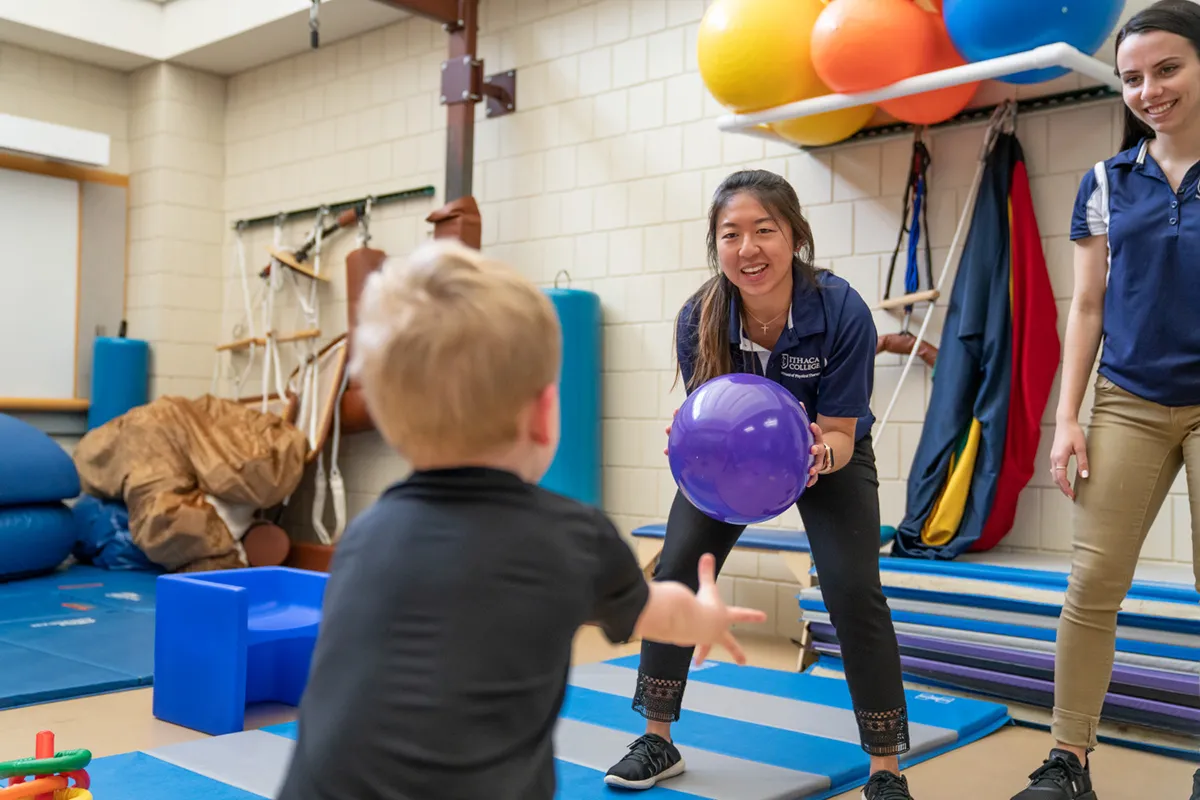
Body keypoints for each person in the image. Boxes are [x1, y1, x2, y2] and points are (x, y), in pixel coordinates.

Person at [273, 239, 768, 800]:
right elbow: (662, 615)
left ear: (388, 419)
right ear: (543, 414)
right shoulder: (571, 535)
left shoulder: (363, 535)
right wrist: (704, 617)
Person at [602, 169, 918, 800]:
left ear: (794, 235)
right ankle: (657, 738)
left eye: (764, 231)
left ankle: (885, 773)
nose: (747, 248)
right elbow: (706, 417)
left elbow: (842, 434)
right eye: (730, 235)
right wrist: (685, 440)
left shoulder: (841, 310)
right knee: (678, 569)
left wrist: (814, 458)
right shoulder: (701, 316)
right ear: (715, 246)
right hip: (733, 465)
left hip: (825, 452)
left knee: (855, 592)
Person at [1010, 3, 1200, 799]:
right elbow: (1086, 307)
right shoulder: (1105, 182)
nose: (1148, 90)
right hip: (1127, 398)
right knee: (1092, 587)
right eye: (1131, 78)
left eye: (1167, 69)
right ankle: (1068, 760)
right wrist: (1066, 418)